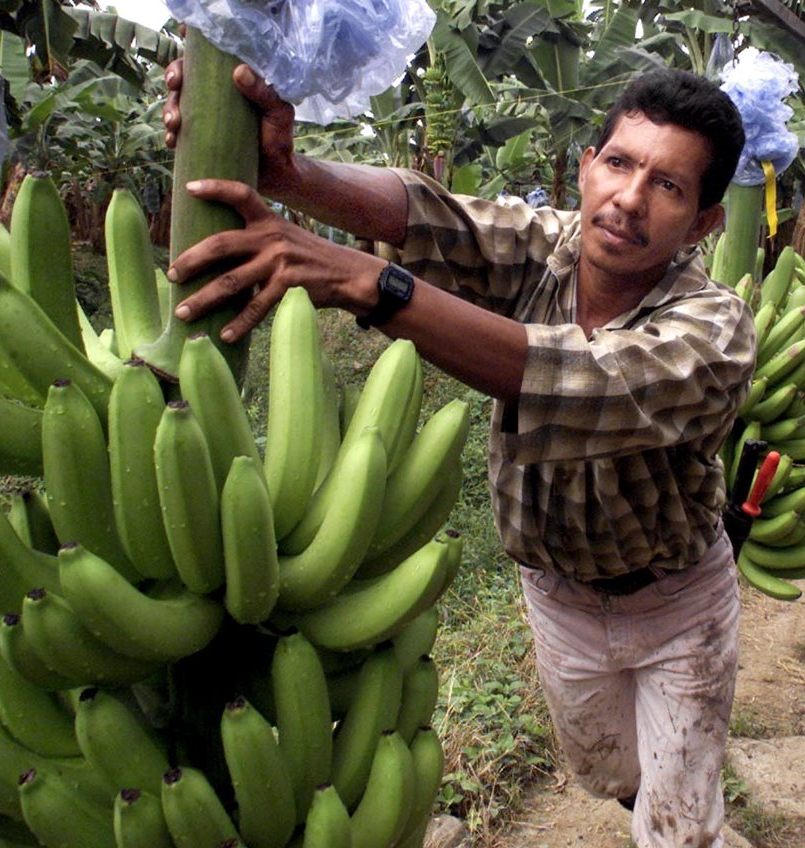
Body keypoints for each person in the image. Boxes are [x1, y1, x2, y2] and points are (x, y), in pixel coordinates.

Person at [163, 61, 754, 848]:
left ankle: (688, 825)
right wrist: (288, 173)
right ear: (589, 165)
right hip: (558, 596)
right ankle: (657, 802)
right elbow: (429, 215)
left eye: (669, 187)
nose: (629, 200)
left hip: (675, 604)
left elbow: (578, 381)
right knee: (609, 774)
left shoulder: (713, 331)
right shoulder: (546, 248)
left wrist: (375, 284)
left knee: (679, 823)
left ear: (705, 223)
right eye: (619, 163)